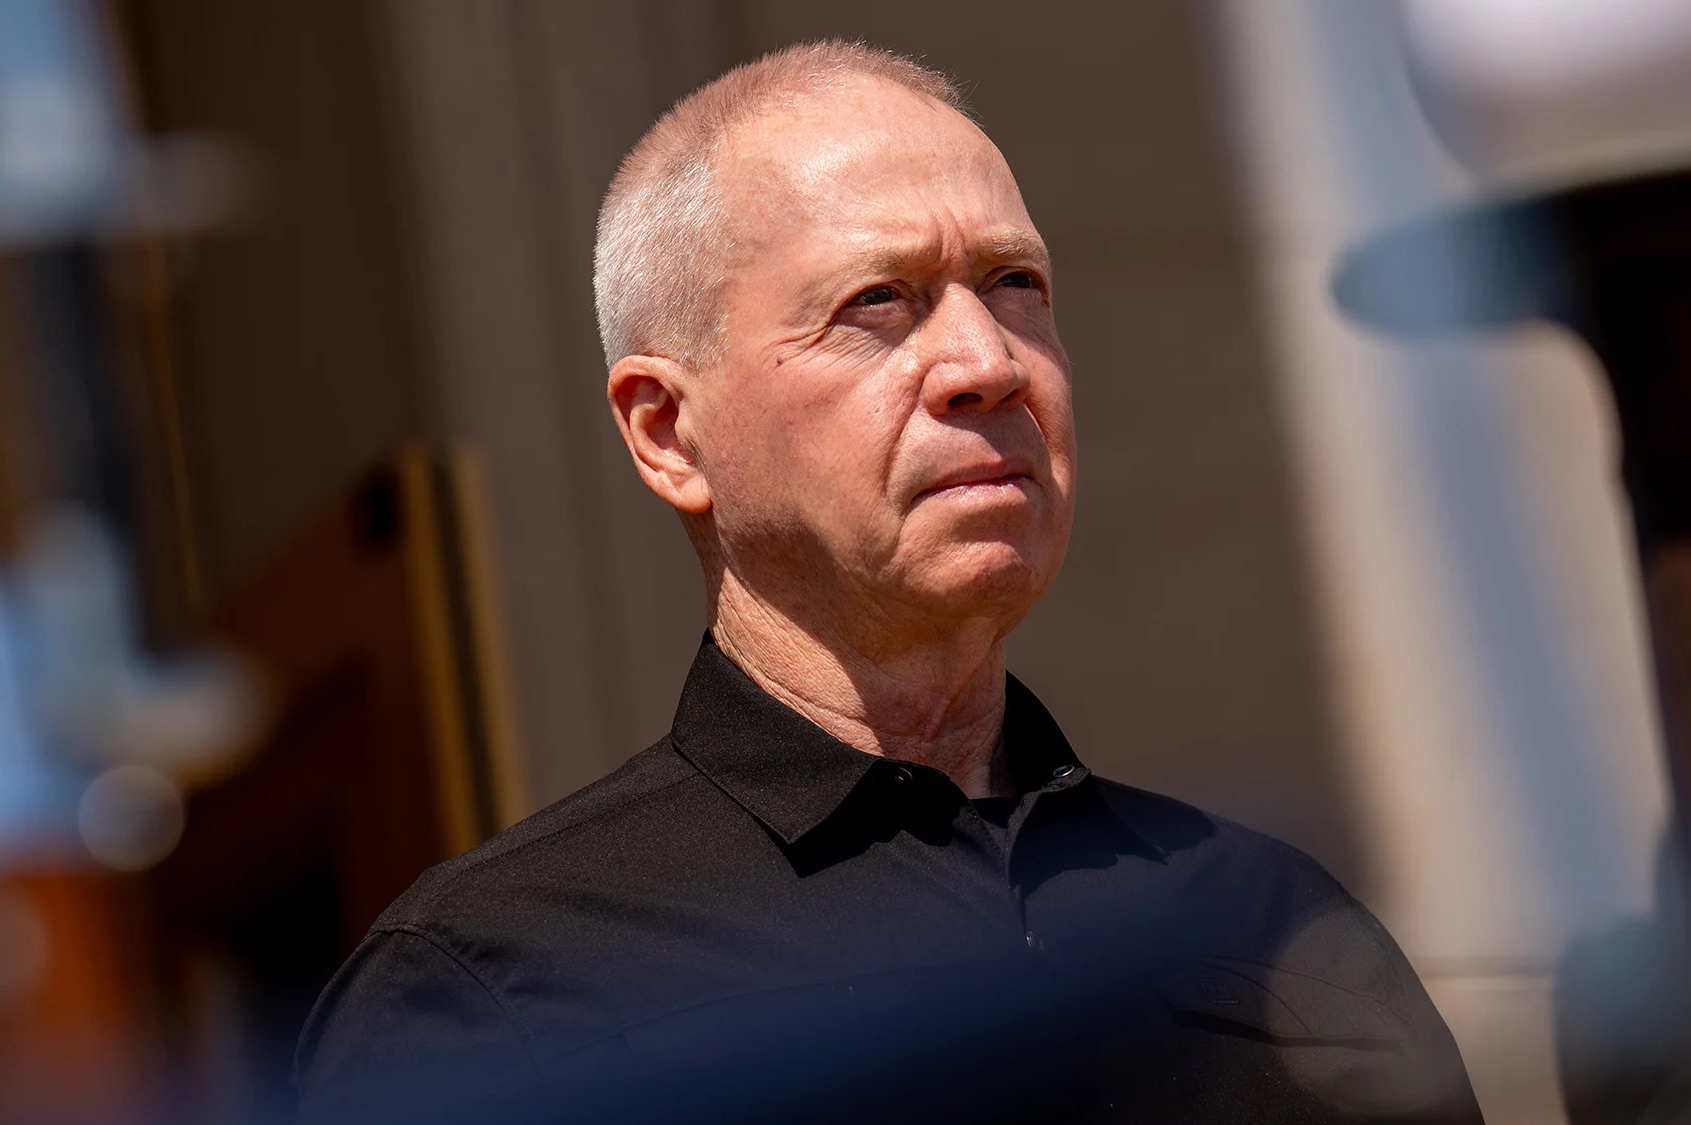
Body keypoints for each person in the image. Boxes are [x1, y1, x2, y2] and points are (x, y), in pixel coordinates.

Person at [294, 40, 1483, 1124]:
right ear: (668, 433)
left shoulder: (1271, 918)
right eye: (877, 302)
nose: (986, 362)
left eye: (1015, 284)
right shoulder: (493, 985)